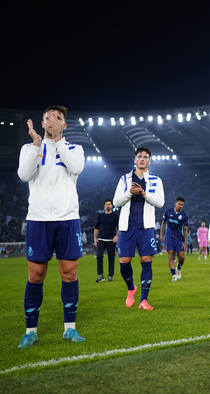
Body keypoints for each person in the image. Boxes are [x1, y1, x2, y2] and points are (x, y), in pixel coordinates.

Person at [17, 105, 86, 348]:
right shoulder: (29, 148)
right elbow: (24, 175)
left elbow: (76, 168)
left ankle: (70, 329)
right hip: (38, 219)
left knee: (70, 273)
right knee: (36, 275)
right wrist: (37, 144)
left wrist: (58, 141)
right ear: (41, 122)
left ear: (64, 125)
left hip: (68, 219)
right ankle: (31, 331)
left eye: (57, 118)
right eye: (47, 118)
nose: (51, 121)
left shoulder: (74, 149)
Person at [114, 146, 164, 310]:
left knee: (146, 260)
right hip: (127, 227)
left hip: (146, 227)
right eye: (139, 156)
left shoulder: (156, 180)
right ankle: (131, 288)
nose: (142, 159)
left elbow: (160, 202)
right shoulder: (124, 179)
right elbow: (116, 202)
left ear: (149, 161)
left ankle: (144, 300)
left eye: (145, 157)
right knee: (124, 262)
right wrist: (129, 192)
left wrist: (143, 194)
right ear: (135, 160)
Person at [160, 196, 189, 281]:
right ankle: (173, 275)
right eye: (179, 204)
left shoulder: (184, 215)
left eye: (182, 205)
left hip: (179, 238)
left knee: (182, 256)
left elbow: (185, 229)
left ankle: (179, 268)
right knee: (171, 256)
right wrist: (161, 234)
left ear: (183, 205)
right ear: (175, 203)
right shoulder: (168, 212)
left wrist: (185, 242)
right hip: (169, 237)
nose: (180, 206)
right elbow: (164, 223)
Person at [94, 199, 119, 282]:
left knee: (111, 258)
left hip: (111, 240)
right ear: (104, 206)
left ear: (111, 205)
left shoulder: (115, 216)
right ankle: (100, 275)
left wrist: (116, 236)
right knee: (99, 256)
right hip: (101, 239)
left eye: (109, 204)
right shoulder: (100, 216)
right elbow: (96, 227)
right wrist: (95, 238)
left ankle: (110, 275)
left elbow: (119, 228)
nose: (108, 205)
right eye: (106, 204)